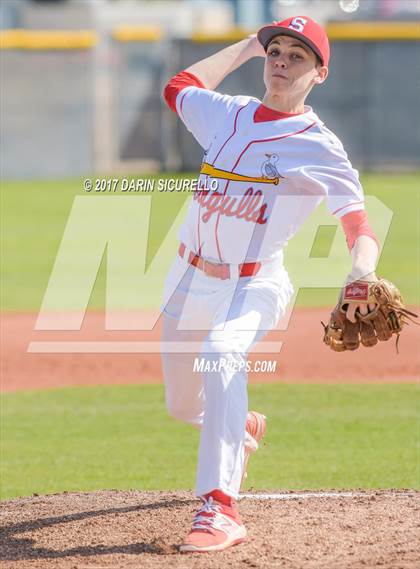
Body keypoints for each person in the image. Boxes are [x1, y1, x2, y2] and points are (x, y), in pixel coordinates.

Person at [161, 16, 379, 553]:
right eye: (277, 51)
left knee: (222, 354)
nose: (282, 61)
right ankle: (245, 426)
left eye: (297, 56)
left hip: (253, 285)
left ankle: (220, 508)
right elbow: (178, 88)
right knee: (181, 407)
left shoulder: (318, 146)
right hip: (188, 278)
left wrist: (362, 271)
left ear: (319, 74)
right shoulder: (227, 113)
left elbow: (359, 226)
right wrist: (248, 45)